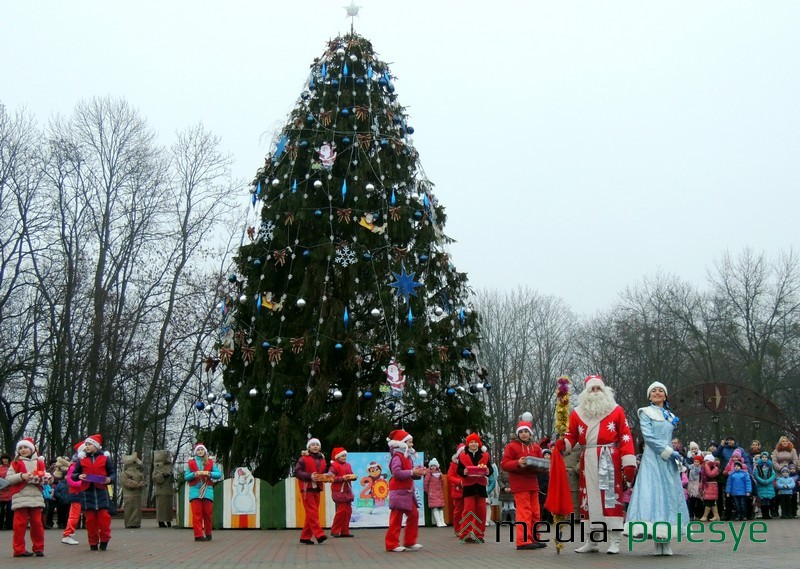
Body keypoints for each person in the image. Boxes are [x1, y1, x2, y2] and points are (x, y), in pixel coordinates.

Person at [554, 375, 636, 554]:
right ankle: (592, 541)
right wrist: (563, 444)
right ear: (586, 392)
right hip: (588, 459)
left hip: (610, 459)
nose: (596, 392)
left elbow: (625, 436)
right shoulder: (577, 413)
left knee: (610, 499)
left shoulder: (616, 410)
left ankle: (615, 540)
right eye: (592, 389)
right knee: (588, 500)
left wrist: (628, 461)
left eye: (598, 388)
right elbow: (571, 436)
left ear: (605, 391)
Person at [625, 382, 690, 556]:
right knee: (654, 494)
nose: (657, 393)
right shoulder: (645, 412)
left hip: (668, 462)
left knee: (669, 496)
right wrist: (669, 452)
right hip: (653, 459)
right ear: (649, 396)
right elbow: (649, 437)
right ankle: (657, 540)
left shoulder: (670, 415)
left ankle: (666, 540)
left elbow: (667, 436)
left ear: (666, 395)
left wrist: (674, 454)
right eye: (653, 391)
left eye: (661, 390)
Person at [501, 420, 546, 550]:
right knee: (524, 512)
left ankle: (534, 538)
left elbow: (541, 463)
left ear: (530, 433)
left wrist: (542, 467)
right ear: (518, 433)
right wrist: (517, 463)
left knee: (536, 513)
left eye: (526, 431)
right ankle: (523, 541)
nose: (524, 434)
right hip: (520, 484)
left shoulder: (536, 447)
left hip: (533, 483)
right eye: (521, 432)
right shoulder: (511, 446)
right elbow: (505, 464)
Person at [5, 438, 50, 557]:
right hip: (20, 496)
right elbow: (8, 478)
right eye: (20, 448)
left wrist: (46, 479)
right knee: (19, 525)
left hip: (36, 496)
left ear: (32, 449)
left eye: (25, 447)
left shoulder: (40, 463)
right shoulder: (15, 463)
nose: (23, 450)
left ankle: (39, 548)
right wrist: (22, 476)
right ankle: (19, 550)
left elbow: (44, 477)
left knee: (37, 524)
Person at [72, 434, 116, 551]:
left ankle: (105, 540)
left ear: (96, 446)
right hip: (87, 492)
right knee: (90, 520)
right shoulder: (81, 460)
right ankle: (93, 542)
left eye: (89, 444)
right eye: (86, 444)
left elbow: (112, 473)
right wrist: (78, 476)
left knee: (104, 519)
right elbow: (74, 475)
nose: (87, 446)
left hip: (101, 491)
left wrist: (109, 479)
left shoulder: (105, 459)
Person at [385, 429, 425, 552]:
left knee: (414, 514)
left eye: (412, 442)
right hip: (398, 491)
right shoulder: (397, 457)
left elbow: (409, 473)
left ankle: (410, 541)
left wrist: (418, 473)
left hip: (407, 491)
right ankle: (391, 544)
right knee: (396, 518)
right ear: (401, 443)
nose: (412, 445)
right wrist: (413, 472)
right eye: (410, 442)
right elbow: (396, 473)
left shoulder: (407, 457)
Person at [456, 432, 491, 543]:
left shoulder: (485, 455)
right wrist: (464, 472)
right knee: (468, 510)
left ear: (479, 443)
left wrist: (487, 471)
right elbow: (459, 470)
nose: (473, 444)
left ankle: (479, 534)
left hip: (480, 486)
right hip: (469, 486)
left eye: (475, 442)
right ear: (468, 444)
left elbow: (490, 469)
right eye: (471, 442)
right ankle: (465, 534)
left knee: (481, 511)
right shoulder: (463, 455)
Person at [293, 437, 329, 545]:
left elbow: (325, 471)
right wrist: (310, 476)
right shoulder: (303, 459)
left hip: (317, 488)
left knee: (311, 513)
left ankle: (305, 537)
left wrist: (326, 476)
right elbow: (297, 472)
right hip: (306, 488)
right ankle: (319, 534)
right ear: (309, 447)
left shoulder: (322, 459)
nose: (315, 446)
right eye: (313, 445)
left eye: (317, 445)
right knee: (312, 512)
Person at [184, 443, 222, 541]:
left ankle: (208, 533)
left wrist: (210, 473)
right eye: (198, 450)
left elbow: (218, 474)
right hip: (195, 490)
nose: (200, 451)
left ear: (204, 451)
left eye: (202, 449)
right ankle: (198, 535)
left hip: (207, 490)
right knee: (197, 514)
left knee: (207, 513)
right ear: (196, 452)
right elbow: (186, 477)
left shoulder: (210, 462)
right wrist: (194, 474)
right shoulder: (191, 463)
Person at [328, 447, 357, 538]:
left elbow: (351, 474)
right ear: (337, 457)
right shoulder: (334, 466)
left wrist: (352, 477)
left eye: (345, 456)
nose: (344, 457)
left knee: (348, 511)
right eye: (342, 456)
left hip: (347, 490)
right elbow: (330, 478)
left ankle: (345, 531)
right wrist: (342, 478)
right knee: (341, 511)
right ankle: (335, 530)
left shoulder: (348, 465)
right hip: (339, 490)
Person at [61, 443, 84, 545]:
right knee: (74, 515)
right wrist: (85, 484)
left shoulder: (86, 465)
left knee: (91, 515)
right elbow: (70, 481)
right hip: (76, 493)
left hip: (86, 493)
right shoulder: (74, 465)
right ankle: (67, 534)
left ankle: (95, 535)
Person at [423, 458, 447, 527]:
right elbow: (426, 483)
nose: (433, 467)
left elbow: (442, 483)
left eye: (434, 465)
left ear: (437, 466)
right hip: (432, 493)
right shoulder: (428, 473)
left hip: (439, 493)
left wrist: (441, 477)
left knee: (440, 507)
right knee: (434, 507)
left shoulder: (439, 473)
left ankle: (442, 521)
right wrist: (428, 491)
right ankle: (438, 521)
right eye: (431, 465)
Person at [447, 444, 465, 535]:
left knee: (469, 510)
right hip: (458, 490)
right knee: (459, 511)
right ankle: (458, 529)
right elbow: (450, 476)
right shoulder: (454, 464)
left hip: (469, 490)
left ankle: (467, 529)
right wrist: (459, 482)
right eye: (462, 452)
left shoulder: (469, 463)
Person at [752, 453, 775, 519]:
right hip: (761, 485)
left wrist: (768, 481)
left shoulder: (770, 466)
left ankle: (768, 514)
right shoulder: (758, 466)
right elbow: (755, 475)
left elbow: (773, 475)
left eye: (766, 457)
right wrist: (762, 481)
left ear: (768, 458)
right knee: (762, 501)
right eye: (763, 457)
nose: (764, 458)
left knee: (768, 500)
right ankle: (764, 514)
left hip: (769, 485)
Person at [699, 454, 721, 521]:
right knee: (712, 502)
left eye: (707, 460)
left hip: (712, 485)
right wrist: (701, 487)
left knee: (709, 501)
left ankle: (705, 516)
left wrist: (706, 466)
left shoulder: (715, 468)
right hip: (707, 485)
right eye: (705, 460)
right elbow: (703, 478)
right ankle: (716, 516)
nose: (706, 462)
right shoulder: (705, 468)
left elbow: (710, 474)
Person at [0, 452, 13, 531]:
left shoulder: (12, 467)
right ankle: (0, 525)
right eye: (3, 459)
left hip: (10, 490)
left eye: (6, 459)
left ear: (8, 459)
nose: (5, 460)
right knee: (1, 510)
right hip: (1, 491)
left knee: (9, 509)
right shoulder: (0, 467)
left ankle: (8, 525)